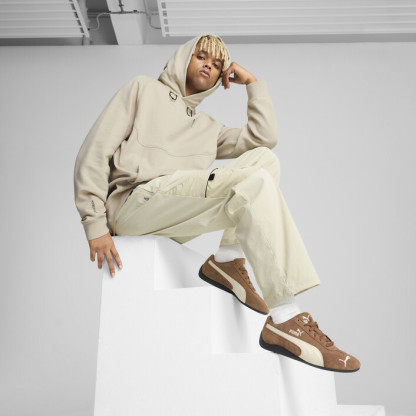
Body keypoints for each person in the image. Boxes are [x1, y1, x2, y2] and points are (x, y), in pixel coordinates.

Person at [74, 33, 360, 373]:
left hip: (172, 213)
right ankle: (285, 316)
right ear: (184, 58)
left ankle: (227, 260)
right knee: (253, 181)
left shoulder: (207, 128)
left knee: (265, 162)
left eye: (217, 64)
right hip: (133, 205)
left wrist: (252, 85)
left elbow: (263, 138)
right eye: (201, 57)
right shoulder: (142, 89)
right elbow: (94, 151)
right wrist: (94, 224)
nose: (208, 66)